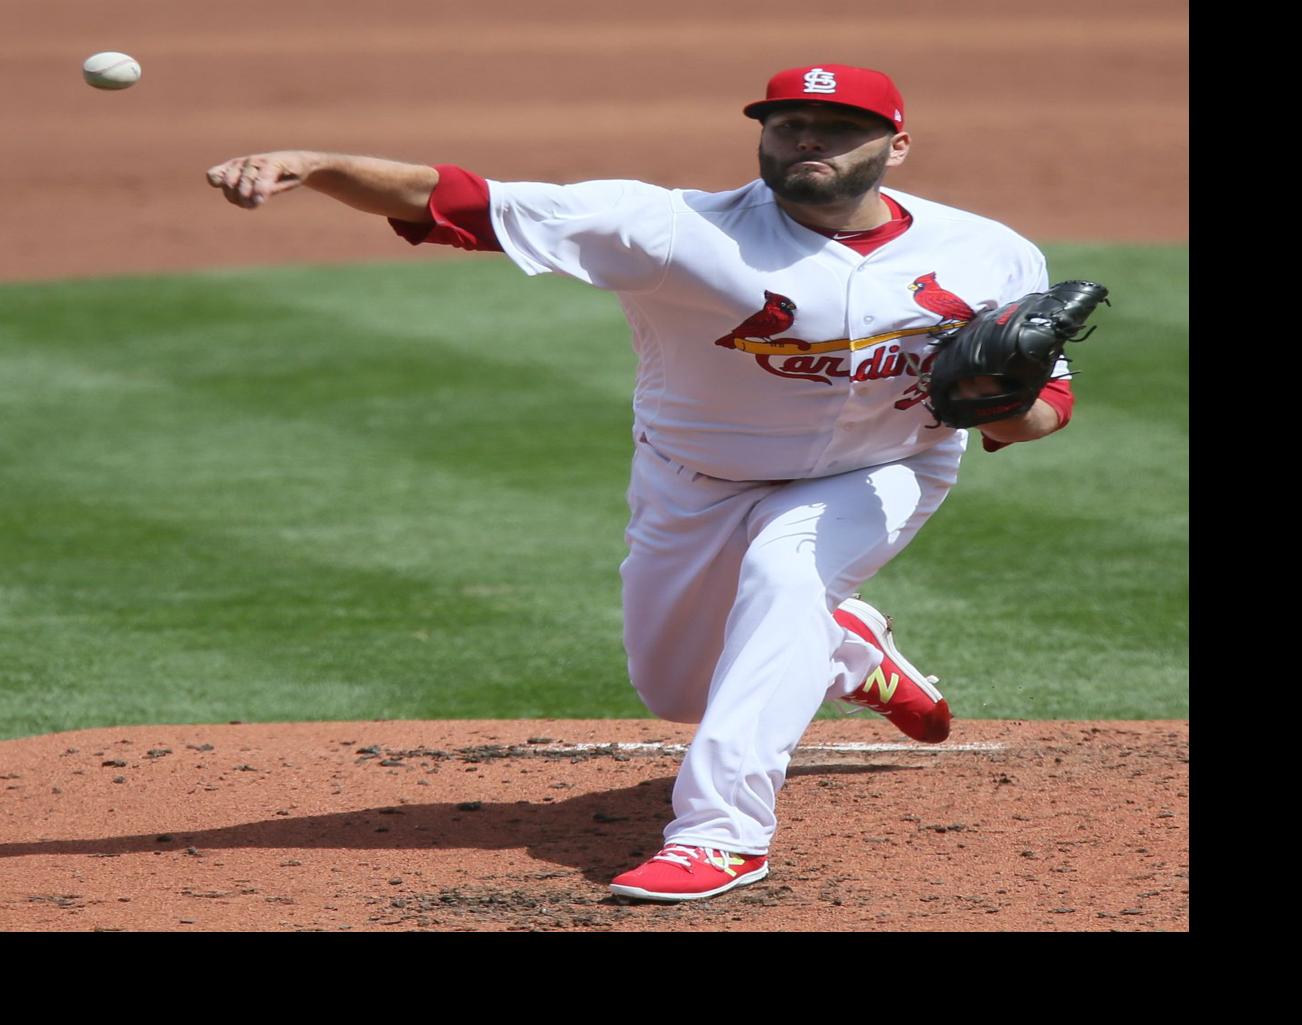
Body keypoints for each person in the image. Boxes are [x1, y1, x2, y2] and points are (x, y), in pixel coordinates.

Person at [207, 64, 1073, 903]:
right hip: (695, 479)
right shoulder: (673, 229)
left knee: (785, 574)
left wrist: (1000, 401)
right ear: (764, 136)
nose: (809, 138)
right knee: (677, 689)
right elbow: (462, 200)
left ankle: (719, 835)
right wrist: (315, 165)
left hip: (880, 471)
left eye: (839, 128)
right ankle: (849, 646)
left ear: (896, 144)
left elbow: (1035, 417)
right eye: (789, 123)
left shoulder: (989, 254)